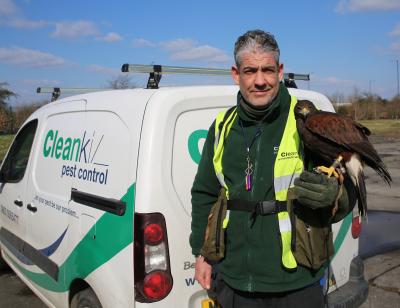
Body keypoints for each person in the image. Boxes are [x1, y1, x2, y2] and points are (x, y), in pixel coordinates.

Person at [189, 29, 356, 308]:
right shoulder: (221, 127)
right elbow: (204, 192)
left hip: (297, 283)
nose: (260, 80)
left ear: (280, 71)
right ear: (236, 74)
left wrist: (335, 197)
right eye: (250, 71)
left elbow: (348, 187)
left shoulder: (307, 120)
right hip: (234, 281)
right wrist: (201, 254)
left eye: (267, 70)